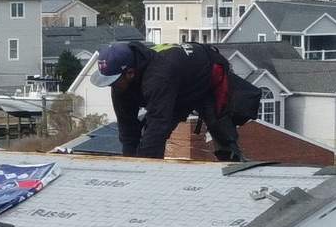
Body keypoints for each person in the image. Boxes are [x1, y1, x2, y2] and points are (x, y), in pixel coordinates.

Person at [95, 39, 263, 160]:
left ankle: (233, 165)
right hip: (177, 84)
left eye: (114, 82)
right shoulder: (119, 83)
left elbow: (158, 126)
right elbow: (127, 128)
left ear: (130, 73)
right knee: (147, 137)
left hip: (206, 77)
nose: (111, 86)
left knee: (219, 127)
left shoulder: (158, 77)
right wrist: (129, 166)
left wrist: (144, 172)